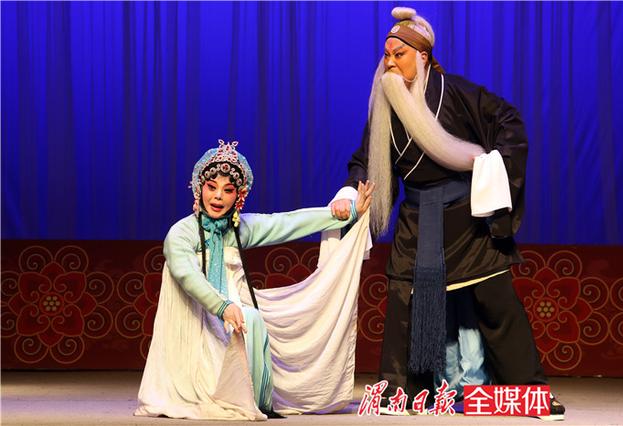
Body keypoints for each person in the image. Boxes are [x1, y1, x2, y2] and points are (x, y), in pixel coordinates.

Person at [330, 7, 565, 420]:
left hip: (467, 221)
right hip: (417, 221)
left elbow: (508, 121)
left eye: (399, 54)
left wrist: (494, 164)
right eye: (386, 55)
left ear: (422, 57)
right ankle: (402, 394)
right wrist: (351, 190)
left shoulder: (455, 92)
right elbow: (364, 160)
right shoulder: (385, 109)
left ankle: (530, 394)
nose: (389, 63)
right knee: (404, 303)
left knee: (497, 304)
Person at [136, 140, 373, 420]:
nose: (218, 197)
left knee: (254, 320)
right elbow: (188, 276)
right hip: (195, 317)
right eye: (211, 187)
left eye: (228, 190)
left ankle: (248, 396)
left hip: (229, 310)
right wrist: (222, 306)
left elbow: (284, 223)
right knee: (242, 321)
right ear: (199, 189)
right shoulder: (181, 233)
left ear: (239, 196)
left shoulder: (238, 228)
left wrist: (342, 214)